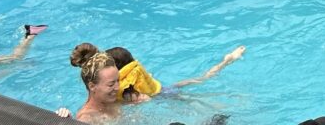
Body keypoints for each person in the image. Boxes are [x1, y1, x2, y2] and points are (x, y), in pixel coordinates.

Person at [104, 44, 246, 102]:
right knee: (202, 78)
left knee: (197, 98)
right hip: (164, 88)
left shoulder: (126, 90)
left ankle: (233, 94)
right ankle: (226, 61)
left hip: (165, 95)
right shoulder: (133, 73)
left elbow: (143, 100)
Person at [69, 45, 121, 123]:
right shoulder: (86, 118)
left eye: (118, 80)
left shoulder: (114, 100)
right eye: (111, 84)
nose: (117, 87)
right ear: (92, 86)